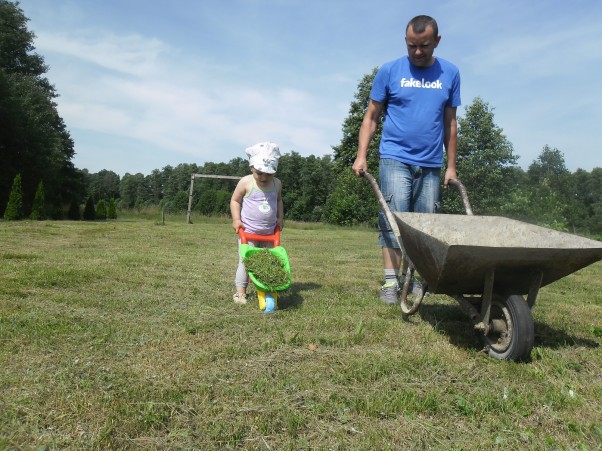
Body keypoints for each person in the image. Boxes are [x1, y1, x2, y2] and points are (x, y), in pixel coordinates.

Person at [352, 15, 461, 304]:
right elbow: (371, 116)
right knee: (393, 219)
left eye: (424, 45)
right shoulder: (390, 71)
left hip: (431, 164)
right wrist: (361, 155)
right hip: (395, 157)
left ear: (437, 41)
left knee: (425, 225)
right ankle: (391, 282)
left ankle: (412, 279)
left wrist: (451, 166)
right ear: (405, 41)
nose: (417, 51)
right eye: (412, 45)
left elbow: (451, 123)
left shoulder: (450, 73)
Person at [230, 142, 284, 304]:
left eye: (269, 174)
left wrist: (280, 218)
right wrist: (236, 220)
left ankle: (268, 289)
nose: (264, 178)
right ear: (252, 167)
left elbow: (279, 200)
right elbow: (235, 200)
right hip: (248, 232)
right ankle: (240, 293)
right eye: (260, 173)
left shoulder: (277, 183)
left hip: (269, 232)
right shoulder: (246, 182)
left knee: (269, 262)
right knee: (245, 262)